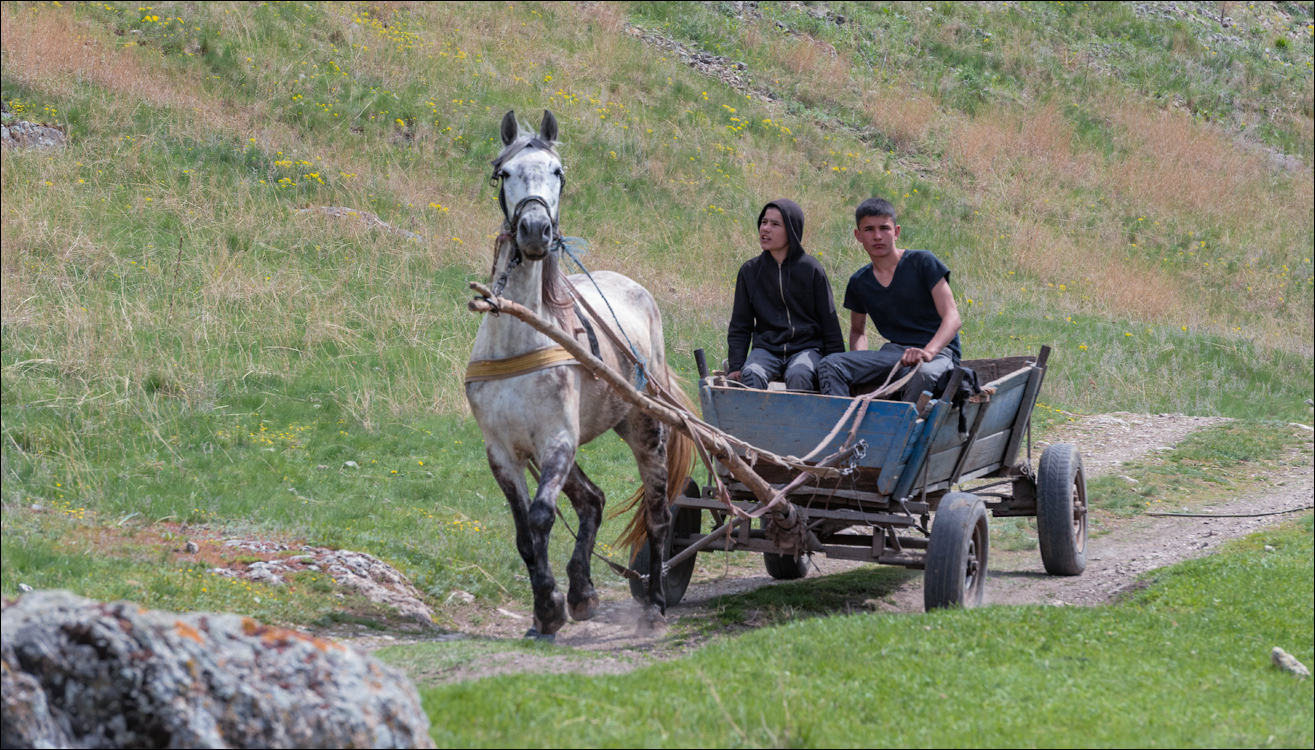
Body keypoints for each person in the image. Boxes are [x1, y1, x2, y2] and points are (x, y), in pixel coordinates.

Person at [817, 198, 962, 400]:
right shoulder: (860, 282)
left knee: (923, 374)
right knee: (829, 365)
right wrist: (859, 366)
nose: (877, 236)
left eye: (884, 228)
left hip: (939, 354)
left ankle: (900, 429)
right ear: (858, 235)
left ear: (896, 232)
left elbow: (953, 318)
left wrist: (927, 353)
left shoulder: (922, 262)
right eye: (869, 229)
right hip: (895, 355)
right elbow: (858, 331)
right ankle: (845, 424)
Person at [726, 199, 845, 391]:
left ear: (791, 230)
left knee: (799, 373)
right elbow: (740, 325)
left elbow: (829, 323)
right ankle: (756, 421)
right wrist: (736, 365)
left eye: (775, 224)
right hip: (766, 350)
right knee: (751, 373)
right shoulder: (750, 271)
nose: (765, 229)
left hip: (807, 349)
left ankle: (803, 422)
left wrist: (839, 366)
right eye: (763, 222)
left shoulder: (811, 269)